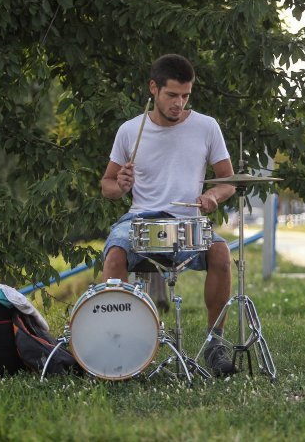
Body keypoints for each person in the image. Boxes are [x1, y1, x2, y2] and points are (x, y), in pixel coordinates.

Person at [100, 54, 238, 376]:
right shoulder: (130, 131)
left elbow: (228, 180)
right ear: (154, 88)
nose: (180, 103)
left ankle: (215, 344)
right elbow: (107, 185)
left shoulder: (206, 127)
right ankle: (121, 344)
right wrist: (119, 185)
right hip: (139, 219)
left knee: (220, 253)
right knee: (115, 256)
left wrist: (213, 196)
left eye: (186, 95)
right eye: (172, 95)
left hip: (187, 221)